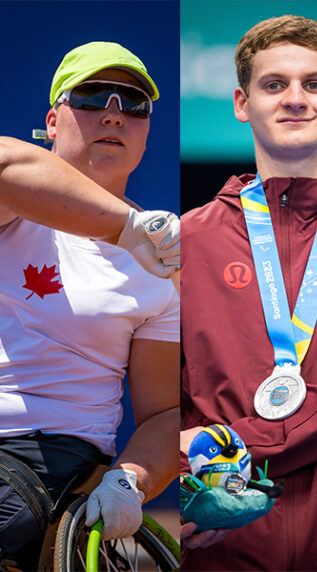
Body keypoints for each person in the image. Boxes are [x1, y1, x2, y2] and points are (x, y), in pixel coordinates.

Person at [180, 15, 317, 571]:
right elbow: (162, 399)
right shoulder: (186, 240)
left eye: (312, 84)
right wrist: (184, 485)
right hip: (221, 549)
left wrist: (224, 442)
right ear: (241, 103)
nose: (295, 99)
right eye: (274, 85)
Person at [0, 41, 179, 571]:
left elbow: (165, 413)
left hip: (52, 471)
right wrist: (125, 228)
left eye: (133, 103)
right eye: (93, 96)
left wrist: (131, 481)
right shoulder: (13, 209)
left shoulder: (164, 264)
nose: (113, 113)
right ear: (53, 121)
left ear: (147, 133)